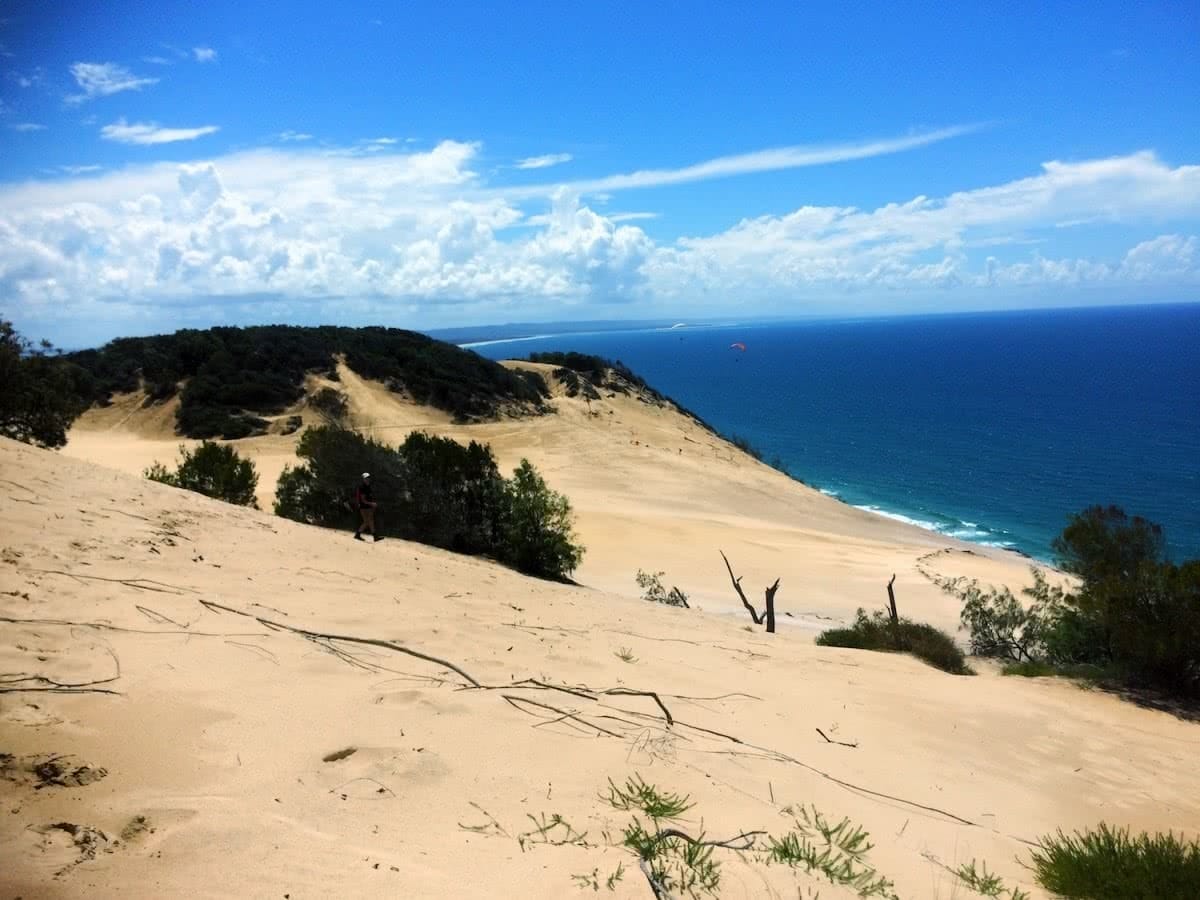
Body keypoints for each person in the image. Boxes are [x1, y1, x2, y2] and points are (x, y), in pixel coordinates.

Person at [353, 472, 380, 541]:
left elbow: (368, 497)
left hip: (368, 506)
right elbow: (363, 500)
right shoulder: (362, 487)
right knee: (367, 521)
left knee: (370, 521)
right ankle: (358, 535)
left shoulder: (368, 486)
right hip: (364, 507)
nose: (368, 479)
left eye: (368, 478)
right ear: (363, 479)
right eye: (366, 478)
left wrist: (372, 504)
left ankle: (374, 536)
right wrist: (372, 504)